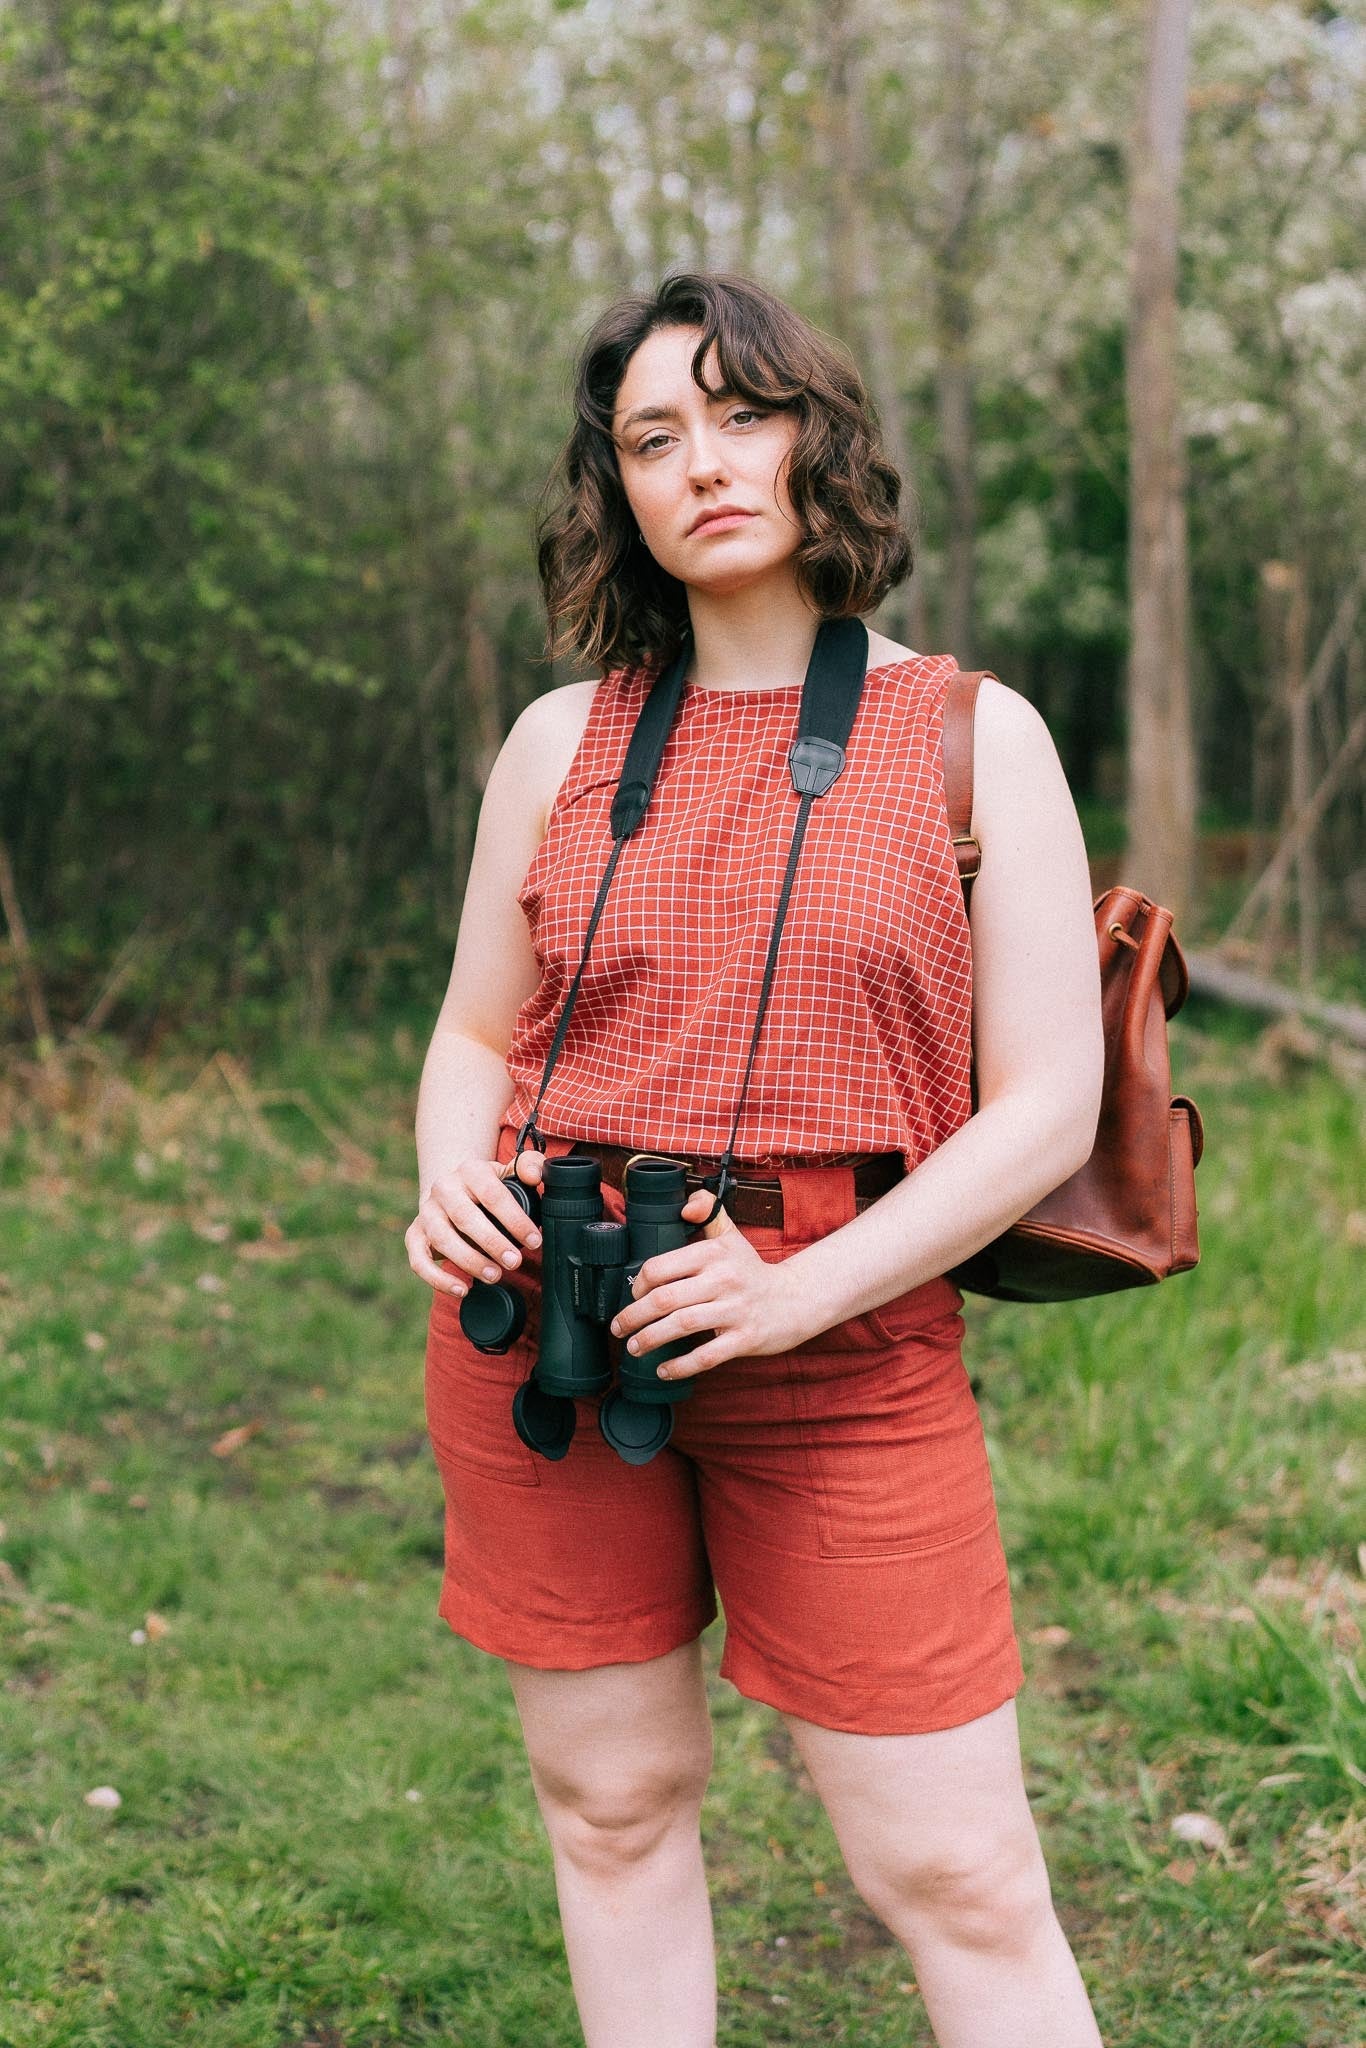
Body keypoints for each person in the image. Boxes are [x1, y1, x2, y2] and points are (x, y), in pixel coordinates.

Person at [409, 270, 1106, 2048]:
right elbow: (479, 1032)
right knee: (613, 1809)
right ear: (617, 491)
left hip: (844, 1339)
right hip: (544, 1328)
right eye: (654, 436)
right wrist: (445, 1175)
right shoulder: (556, 742)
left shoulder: (971, 734)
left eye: (741, 412)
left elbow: (1046, 1106)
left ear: (819, 439)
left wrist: (797, 1293)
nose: (703, 462)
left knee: (958, 1873)